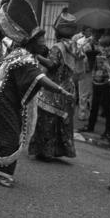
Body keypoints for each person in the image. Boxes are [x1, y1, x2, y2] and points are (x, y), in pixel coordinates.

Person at [0, 0, 74, 188]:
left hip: (9, 101)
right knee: (8, 137)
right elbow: (40, 77)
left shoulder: (24, 54)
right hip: (4, 102)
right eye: (41, 40)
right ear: (33, 42)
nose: (44, 44)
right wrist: (60, 90)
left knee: (8, 135)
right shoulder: (23, 57)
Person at [29, 12, 82, 160]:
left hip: (54, 87)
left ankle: (46, 152)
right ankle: (60, 150)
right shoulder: (75, 46)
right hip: (69, 86)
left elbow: (52, 64)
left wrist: (36, 56)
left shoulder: (58, 47)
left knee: (47, 119)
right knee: (62, 120)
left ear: (57, 31)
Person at [80, 35, 110, 138]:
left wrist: (106, 64)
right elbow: (94, 67)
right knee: (93, 105)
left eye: (106, 47)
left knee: (107, 106)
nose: (104, 49)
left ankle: (108, 130)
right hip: (96, 82)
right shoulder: (98, 55)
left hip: (107, 84)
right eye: (102, 46)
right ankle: (90, 126)